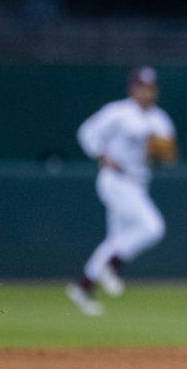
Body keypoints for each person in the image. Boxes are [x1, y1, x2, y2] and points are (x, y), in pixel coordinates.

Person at [68, 67, 177, 316]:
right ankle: (112, 265)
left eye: (150, 88)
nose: (146, 92)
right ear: (132, 88)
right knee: (152, 227)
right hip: (116, 181)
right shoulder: (118, 112)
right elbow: (86, 132)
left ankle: (84, 285)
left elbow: (169, 158)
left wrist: (159, 152)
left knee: (115, 239)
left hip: (139, 183)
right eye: (141, 87)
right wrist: (102, 155)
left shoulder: (160, 119)